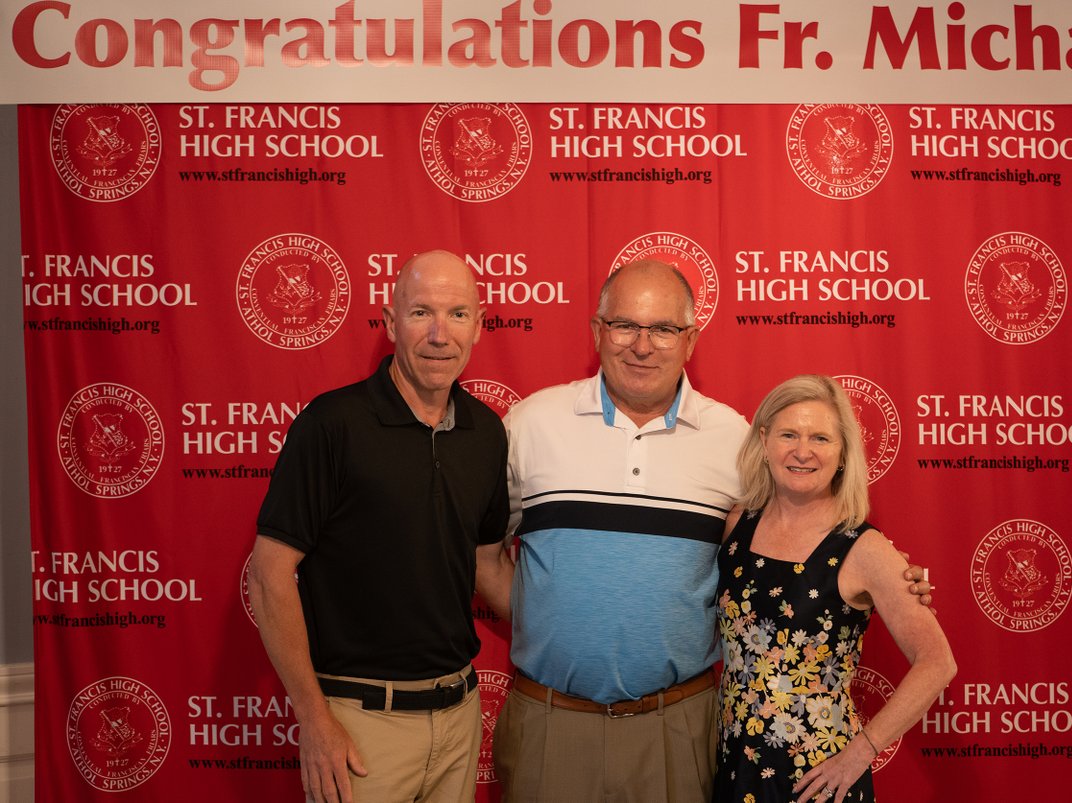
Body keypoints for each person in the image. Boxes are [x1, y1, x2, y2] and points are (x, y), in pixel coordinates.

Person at [473, 260, 933, 803]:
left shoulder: (734, 440)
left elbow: (788, 544)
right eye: (625, 325)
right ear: (598, 331)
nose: (642, 346)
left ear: (690, 340)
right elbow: (486, 557)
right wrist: (559, 621)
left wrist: (886, 572)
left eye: (664, 329)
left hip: (680, 727)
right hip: (552, 722)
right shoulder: (530, 424)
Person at [248, 250, 509, 803]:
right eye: (421, 313)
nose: (440, 334)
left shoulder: (487, 433)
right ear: (391, 323)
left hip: (460, 718)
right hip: (360, 727)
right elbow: (270, 575)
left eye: (458, 314)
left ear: (479, 326)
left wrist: (578, 632)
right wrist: (315, 721)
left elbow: (487, 564)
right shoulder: (331, 425)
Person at [713, 375, 955, 803]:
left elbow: (937, 663)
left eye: (821, 438)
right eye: (789, 434)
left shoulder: (864, 548)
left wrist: (861, 752)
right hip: (735, 768)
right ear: (764, 440)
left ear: (843, 454)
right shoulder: (737, 524)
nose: (803, 451)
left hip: (819, 783)